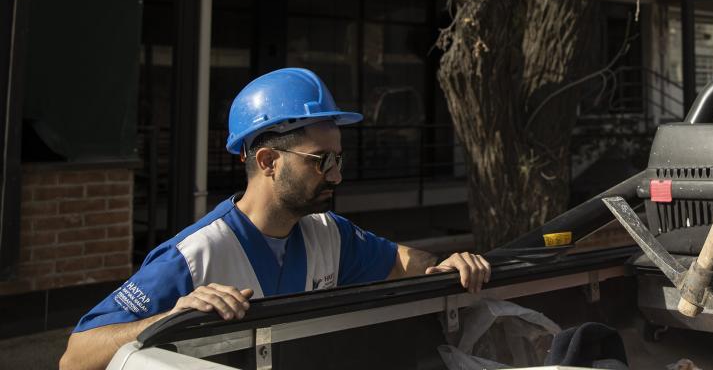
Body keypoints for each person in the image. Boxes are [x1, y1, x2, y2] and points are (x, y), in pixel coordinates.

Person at [60, 68, 491, 370]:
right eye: (321, 161)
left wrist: (447, 265)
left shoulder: (330, 234)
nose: (337, 176)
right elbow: (75, 357)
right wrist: (171, 318)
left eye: (339, 159)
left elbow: (401, 262)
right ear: (268, 161)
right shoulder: (193, 256)